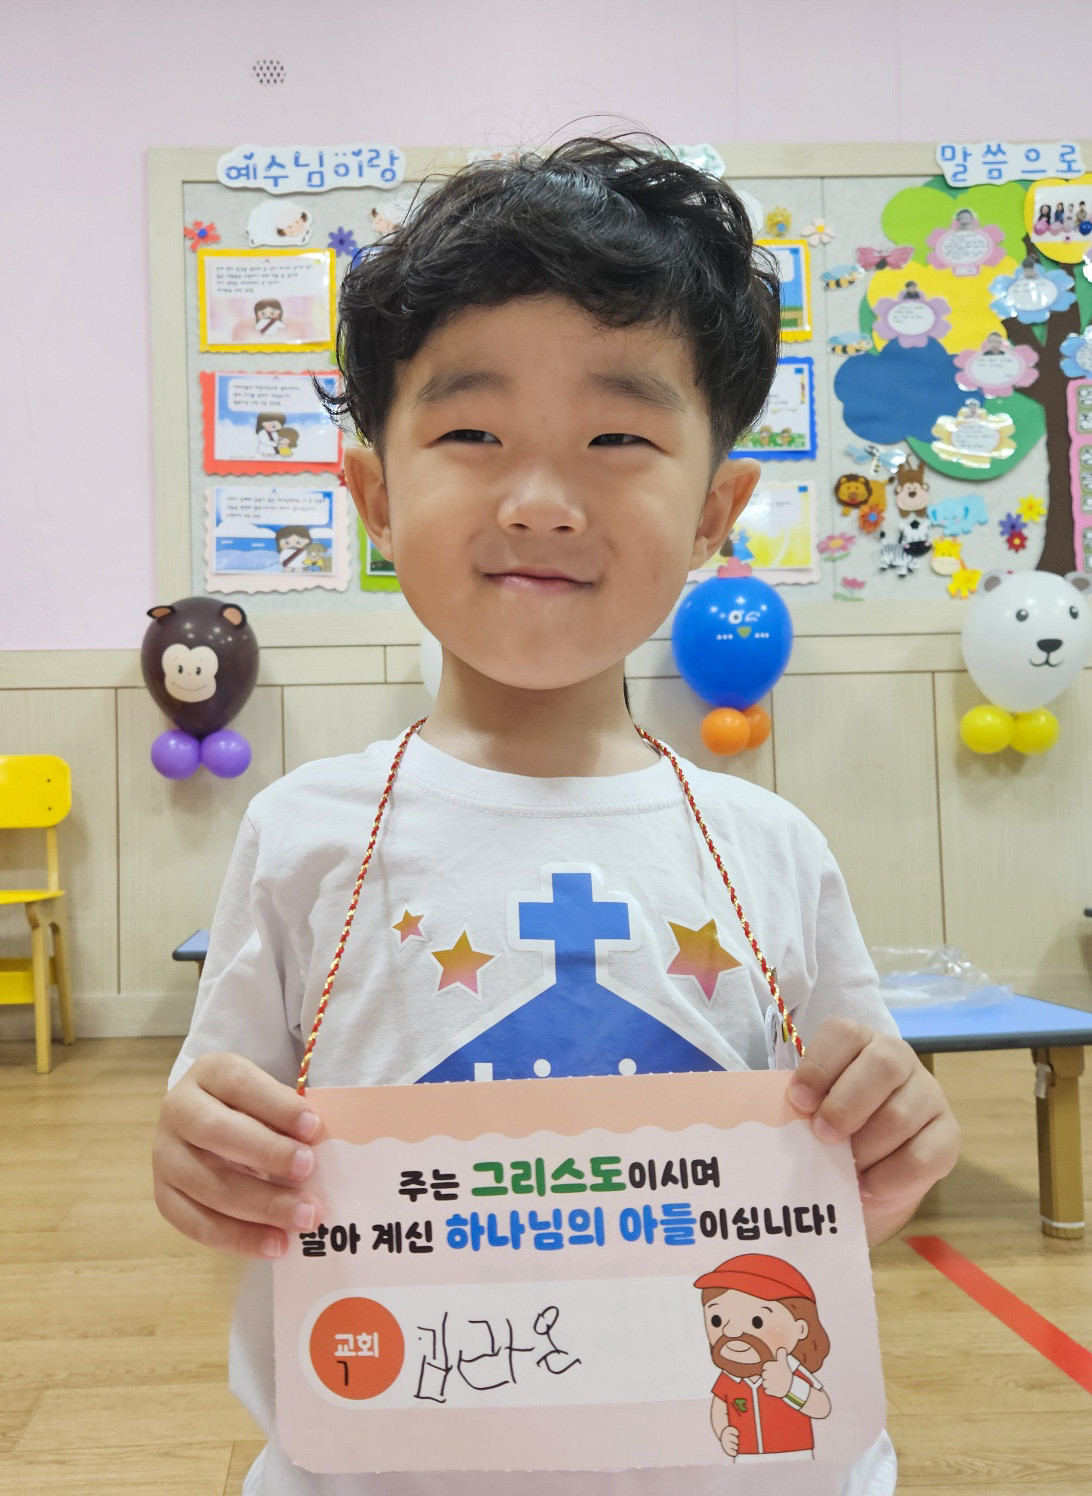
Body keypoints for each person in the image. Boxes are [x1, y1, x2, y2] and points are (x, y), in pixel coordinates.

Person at [153, 133, 960, 1496]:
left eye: (618, 439)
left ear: (714, 511)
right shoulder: (304, 834)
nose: (539, 501)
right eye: (471, 434)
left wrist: (893, 1147)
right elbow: (222, 1123)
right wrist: (201, 1160)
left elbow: (842, 1151)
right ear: (374, 496)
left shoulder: (770, 850)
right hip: (386, 1450)